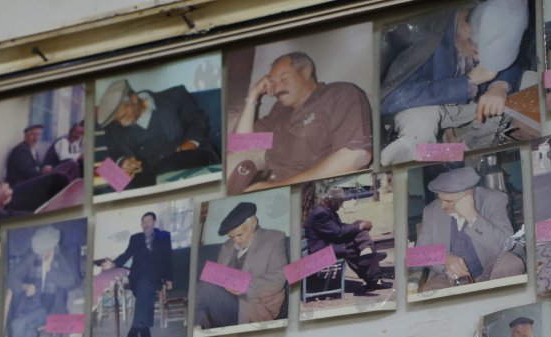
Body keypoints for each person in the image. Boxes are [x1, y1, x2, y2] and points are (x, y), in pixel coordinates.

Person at [379, 0, 531, 165]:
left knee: (531, 84)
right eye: (475, 51)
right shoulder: (423, 31)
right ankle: (445, 159)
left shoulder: (491, 25)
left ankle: (472, 148)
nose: (478, 60)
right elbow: (391, 98)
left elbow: (513, 61)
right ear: (466, 26)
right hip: (425, 106)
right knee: (420, 131)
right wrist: (468, 81)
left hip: (470, 106)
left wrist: (500, 85)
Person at [229, 52, 373, 193]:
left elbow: (355, 157)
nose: (277, 89)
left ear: (305, 72)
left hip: (315, 192)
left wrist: (276, 187)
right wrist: (254, 94)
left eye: (283, 79)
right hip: (273, 189)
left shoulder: (339, 94)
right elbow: (241, 145)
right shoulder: (279, 112)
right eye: (272, 83)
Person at [96, 78, 220, 190]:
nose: (122, 124)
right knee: (115, 180)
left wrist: (191, 142)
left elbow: (198, 121)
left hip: (187, 158)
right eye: (117, 121)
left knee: (167, 170)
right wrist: (122, 162)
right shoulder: (114, 128)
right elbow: (109, 157)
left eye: (123, 116)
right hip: (148, 179)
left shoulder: (175, 97)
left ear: (133, 98)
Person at [414, 166, 523, 291]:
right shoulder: (431, 211)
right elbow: (418, 255)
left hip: (489, 272)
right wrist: (444, 259)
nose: (442, 206)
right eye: (440, 200)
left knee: (510, 262)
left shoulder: (494, 200)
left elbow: (506, 244)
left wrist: (473, 217)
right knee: (430, 292)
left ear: (468, 196)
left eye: (448, 201)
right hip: (449, 278)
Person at [194, 201, 289, 330]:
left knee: (206, 287)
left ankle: (198, 328)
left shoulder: (274, 238)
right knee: (203, 284)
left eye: (240, 235)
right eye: (232, 236)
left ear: (253, 223)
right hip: (227, 303)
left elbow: (279, 279)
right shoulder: (227, 247)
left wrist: (245, 286)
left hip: (255, 306)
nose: (236, 241)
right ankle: (198, 328)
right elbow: (217, 282)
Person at [3, 224, 82, 337]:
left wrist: (49, 271)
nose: (40, 255)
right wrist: (24, 286)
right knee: (28, 333)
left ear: (53, 246)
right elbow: (11, 277)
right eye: (38, 252)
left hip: (51, 307)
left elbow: (73, 281)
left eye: (44, 251)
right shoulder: (32, 255)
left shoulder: (64, 255)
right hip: (30, 305)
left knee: (17, 324)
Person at [100, 211, 174, 337]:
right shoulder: (135, 238)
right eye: (143, 222)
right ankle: (144, 326)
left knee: (145, 284)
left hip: (156, 275)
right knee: (145, 286)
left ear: (154, 222)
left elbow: (168, 259)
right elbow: (126, 254)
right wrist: (113, 264)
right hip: (137, 275)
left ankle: (136, 326)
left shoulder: (164, 236)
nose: (145, 224)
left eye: (148, 221)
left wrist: (169, 279)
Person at [302, 187, 388, 290]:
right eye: (339, 203)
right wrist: (360, 227)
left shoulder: (326, 210)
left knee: (358, 230)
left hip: (329, 247)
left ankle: (367, 254)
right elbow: (337, 233)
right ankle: (370, 263)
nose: (340, 206)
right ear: (331, 201)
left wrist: (358, 226)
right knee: (355, 246)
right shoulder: (320, 213)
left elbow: (340, 228)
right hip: (321, 255)